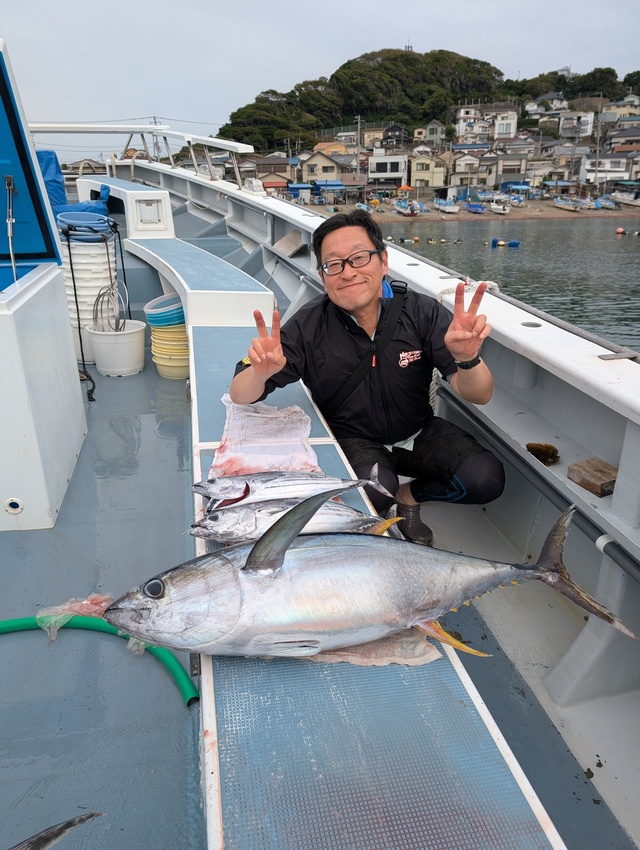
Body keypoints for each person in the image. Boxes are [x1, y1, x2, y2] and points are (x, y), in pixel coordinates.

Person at [229, 209, 504, 545]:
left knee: (486, 479)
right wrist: (259, 372)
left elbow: (479, 393)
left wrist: (467, 358)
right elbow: (241, 394)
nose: (348, 272)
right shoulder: (307, 326)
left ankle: (410, 496)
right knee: (372, 496)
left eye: (359, 258)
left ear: (383, 261)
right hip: (355, 440)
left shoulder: (421, 312)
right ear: (323, 274)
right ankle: (387, 500)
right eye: (334, 264)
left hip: (417, 430)